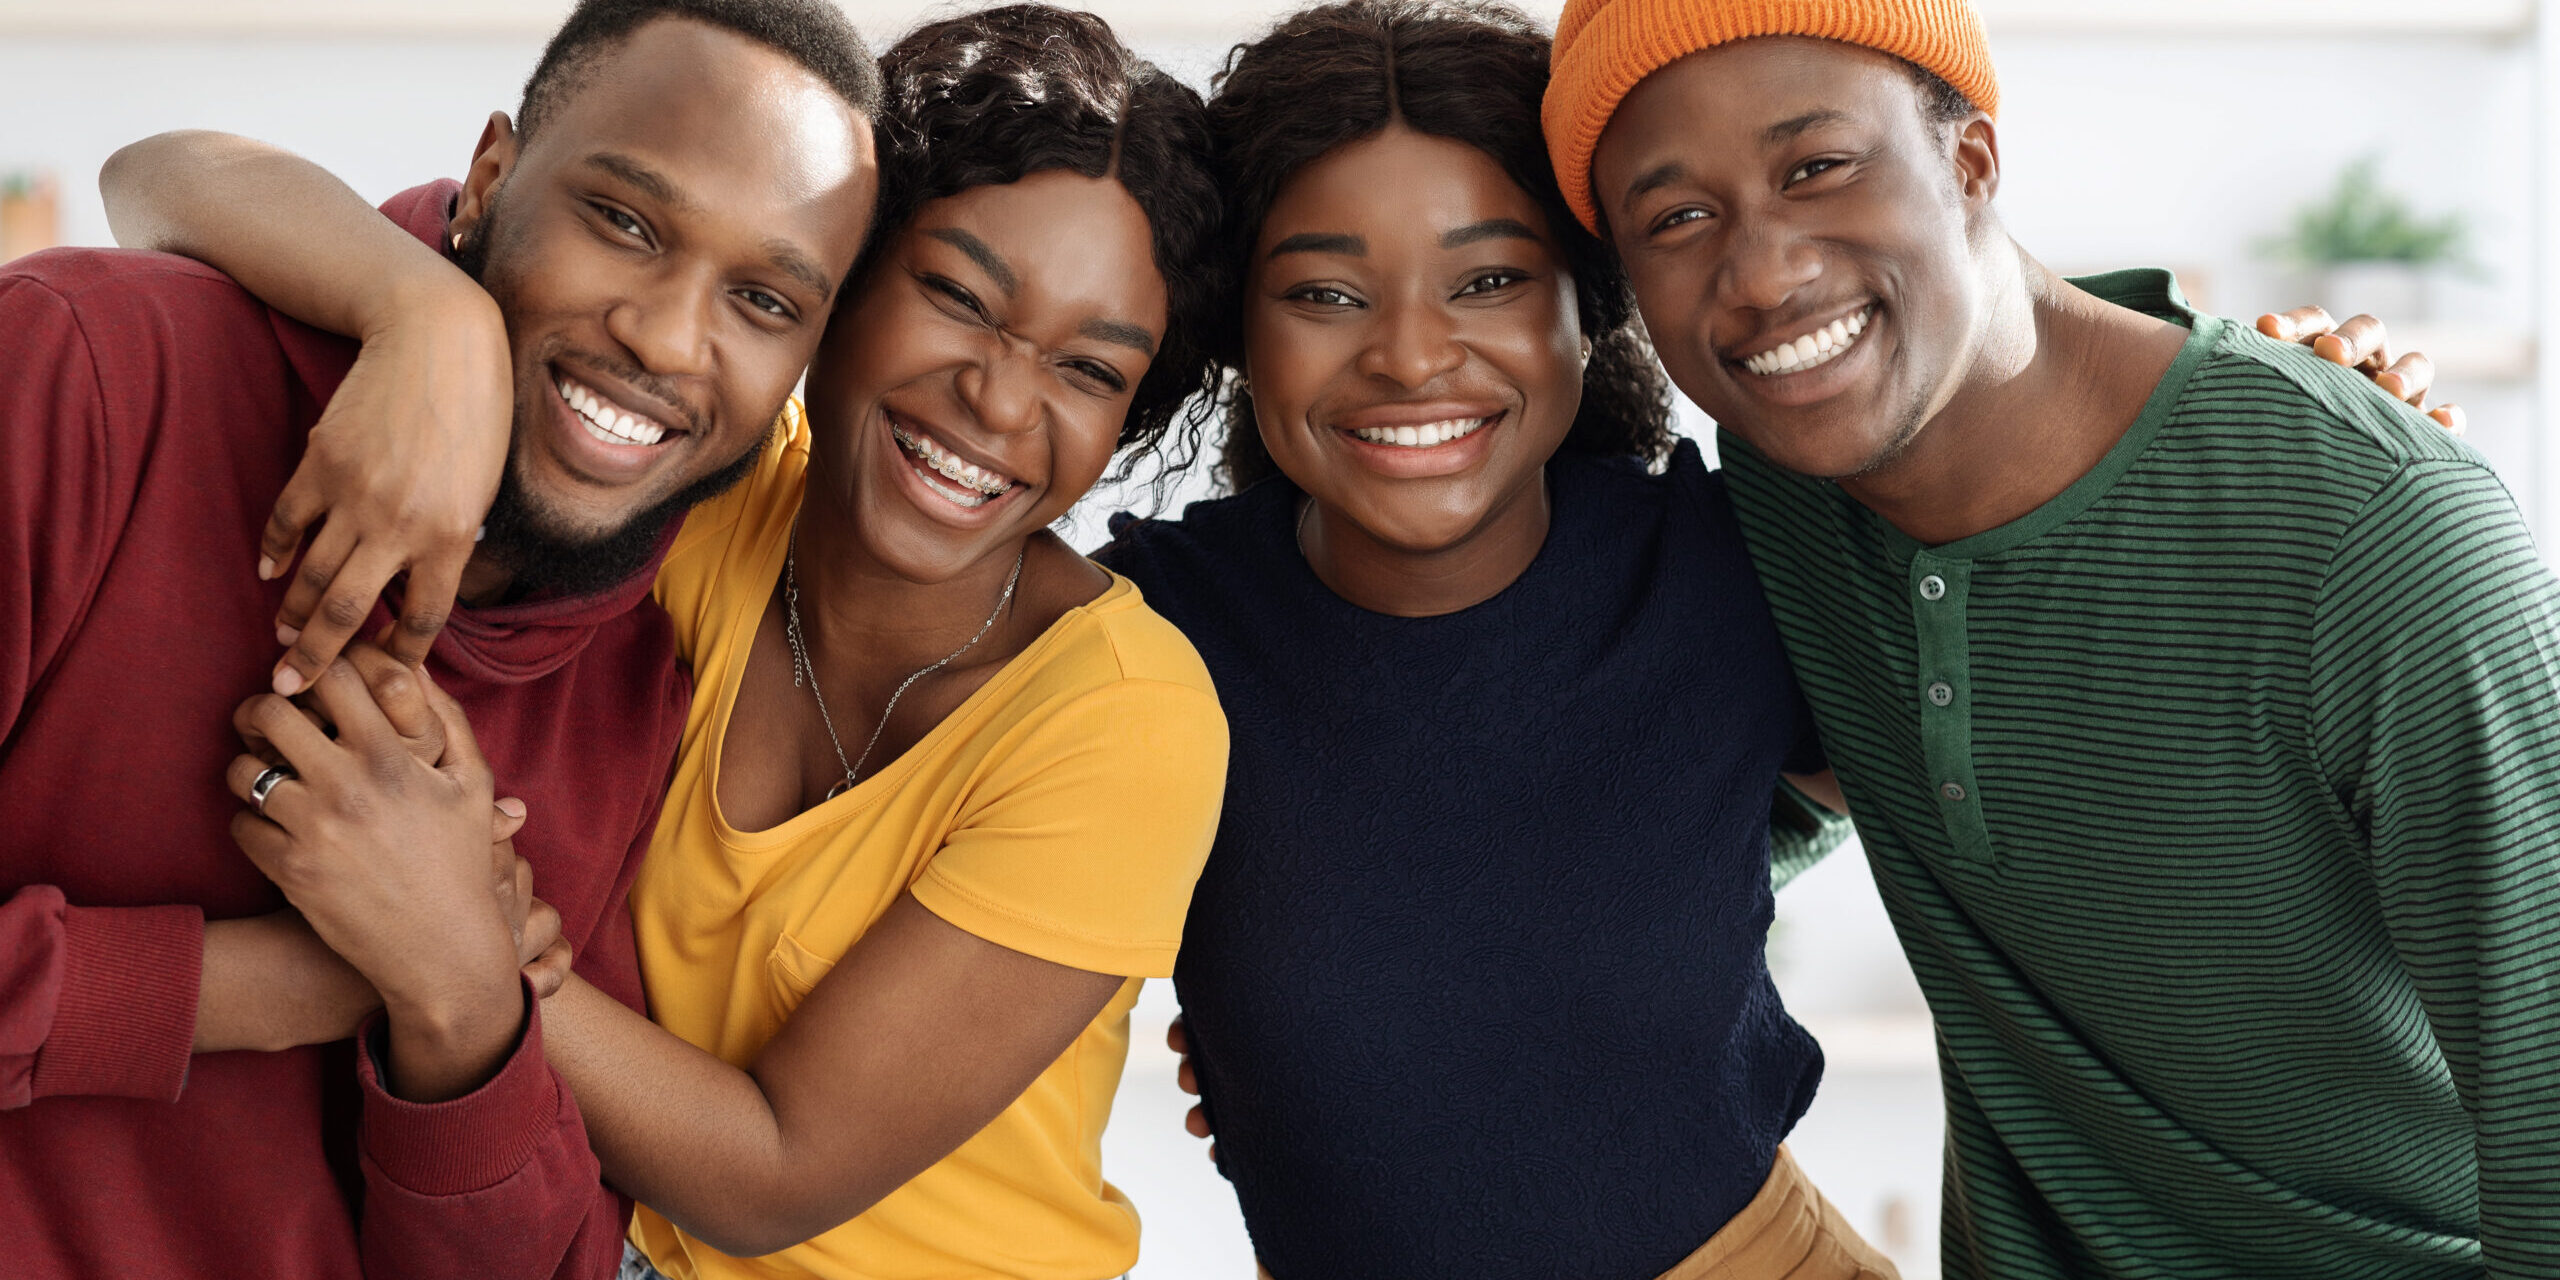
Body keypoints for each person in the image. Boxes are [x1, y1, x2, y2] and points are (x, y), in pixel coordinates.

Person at [104, 8, 1233, 1279]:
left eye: (1089, 370)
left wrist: (459, 941)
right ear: (836, 287)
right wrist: (425, 313)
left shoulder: (1128, 721)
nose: (1001, 398)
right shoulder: (693, 482)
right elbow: (160, 173)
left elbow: (772, 1178)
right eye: (958, 298)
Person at [1544, 1, 2560, 1276]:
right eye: (1677, 217)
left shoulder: (2369, 530)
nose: (1759, 275)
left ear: (1970, 159)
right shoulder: (1783, 488)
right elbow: (1700, 840)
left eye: (1818, 166)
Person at [0, 1, 880, 1278]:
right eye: (624, 223)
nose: (665, 337)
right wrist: (258, 987)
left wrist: (460, 996)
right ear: (490, 176)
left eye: (763, 298)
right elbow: (160, 173)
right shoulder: (93, 369)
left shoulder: (638, 690)